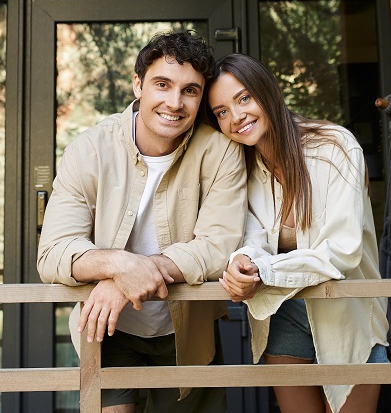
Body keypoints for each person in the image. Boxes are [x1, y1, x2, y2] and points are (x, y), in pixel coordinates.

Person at [36, 30, 247, 413]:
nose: (174, 102)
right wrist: (120, 265)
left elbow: (219, 246)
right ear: (138, 84)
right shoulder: (89, 149)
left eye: (190, 91)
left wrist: (134, 277)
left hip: (186, 331)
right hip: (108, 329)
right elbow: (53, 253)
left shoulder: (220, 152)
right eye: (162, 85)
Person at [208, 53, 389, 413]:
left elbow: (342, 250)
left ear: (269, 91)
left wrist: (266, 271)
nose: (236, 116)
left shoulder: (336, 148)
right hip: (284, 310)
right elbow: (252, 237)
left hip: (346, 310)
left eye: (243, 98)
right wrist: (242, 262)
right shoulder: (240, 165)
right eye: (221, 111)